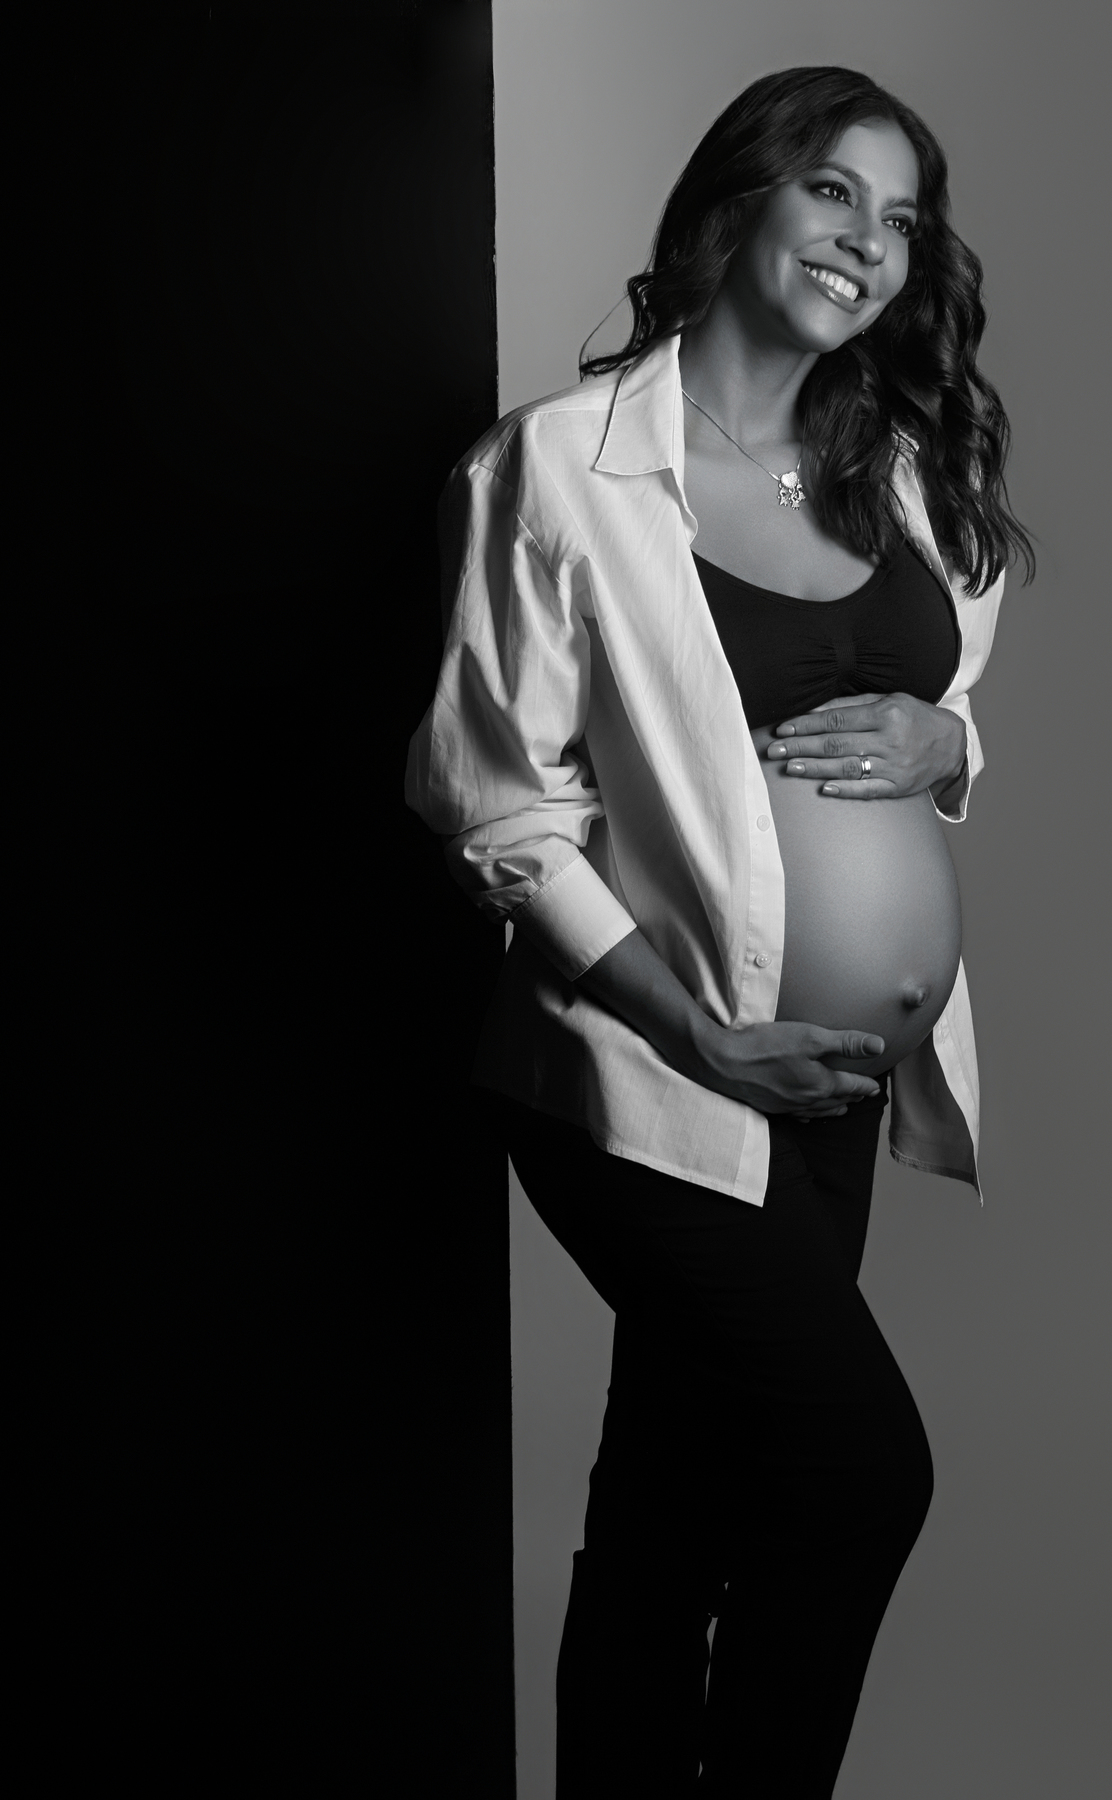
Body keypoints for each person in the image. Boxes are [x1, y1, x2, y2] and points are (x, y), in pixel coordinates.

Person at [406, 64, 1031, 1798]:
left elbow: (946, 702)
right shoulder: (559, 466)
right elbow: (494, 805)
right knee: (857, 1476)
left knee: (673, 1509)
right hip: (645, 1077)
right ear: (742, 195)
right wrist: (696, 1032)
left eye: (901, 218)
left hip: (826, 1085)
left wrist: (949, 744)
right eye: (834, 190)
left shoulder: (903, 469)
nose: (868, 241)